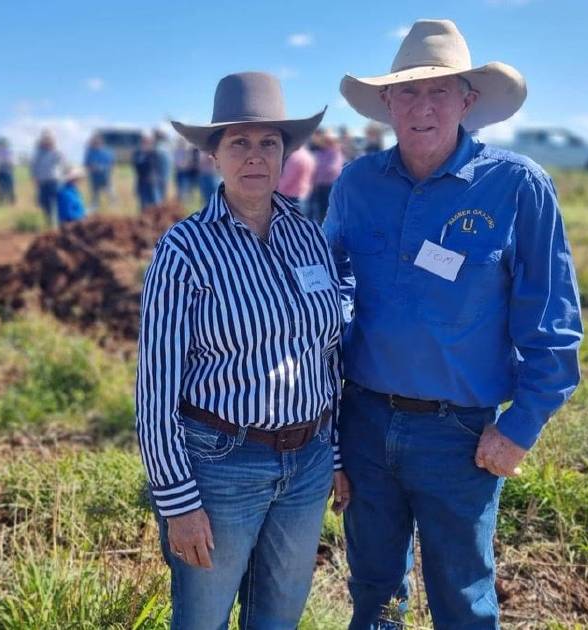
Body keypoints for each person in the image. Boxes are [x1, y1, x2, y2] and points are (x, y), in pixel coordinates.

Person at [327, 20, 583, 628]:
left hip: (460, 438)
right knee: (374, 595)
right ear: (386, 102)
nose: (423, 106)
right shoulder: (358, 183)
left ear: (468, 100)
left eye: (440, 90)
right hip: (364, 422)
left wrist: (519, 428)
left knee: (463, 600)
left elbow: (552, 317)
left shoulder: (517, 185)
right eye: (408, 92)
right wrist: (329, 430)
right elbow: (330, 292)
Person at [137, 71, 346, 628]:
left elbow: (329, 356)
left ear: (285, 152)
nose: (255, 156)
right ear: (214, 156)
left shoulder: (306, 233)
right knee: (203, 617)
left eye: (268, 143)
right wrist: (178, 502)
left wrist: (337, 455)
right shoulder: (185, 249)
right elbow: (155, 386)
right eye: (239, 143)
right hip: (222, 466)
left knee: (278, 616)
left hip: (307, 464)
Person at [308, 129, 344, 224]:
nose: (327, 143)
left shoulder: (336, 152)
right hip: (319, 186)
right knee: (320, 211)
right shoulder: (319, 153)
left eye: (329, 141)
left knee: (329, 211)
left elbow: (333, 168)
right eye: (325, 141)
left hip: (331, 185)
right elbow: (313, 168)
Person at [277, 143, 316, 211]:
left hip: (292, 196)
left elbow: (288, 179)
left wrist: (275, 191)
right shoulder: (308, 156)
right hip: (304, 195)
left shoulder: (295, 157)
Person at [83, 134, 115, 210]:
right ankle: (95, 207)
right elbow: (86, 163)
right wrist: (91, 167)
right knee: (94, 193)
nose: (94, 144)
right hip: (94, 177)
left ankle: (113, 205)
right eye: (93, 142)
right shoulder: (89, 152)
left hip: (105, 176)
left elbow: (111, 164)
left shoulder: (107, 151)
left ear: (101, 142)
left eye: (96, 142)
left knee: (109, 191)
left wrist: (101, 168)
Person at [132, 133, 160, 211]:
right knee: (143, 205)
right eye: (144, 142)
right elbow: (136, 166)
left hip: (153, 182)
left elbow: (154, 166)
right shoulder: (137, 153)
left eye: (147, 142)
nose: (145, 144)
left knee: (156, 203)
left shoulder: (154, 153)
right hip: (142, 182)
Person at [152, 128, 173, 202]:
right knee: (159, 191)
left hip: (162, 174)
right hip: (160, 174)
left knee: (161, 190)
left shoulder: (162, 147)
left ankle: (161, 205)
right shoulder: (158, 146)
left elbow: (167, 165)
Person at [0, 138, 16, 206]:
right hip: (1, 173)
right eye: (1, 144)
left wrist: (7, 161)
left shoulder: (10, 152)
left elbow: (13, 162)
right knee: (1, 188)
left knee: (10, 188)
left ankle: (12, 202)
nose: (2, 146)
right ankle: (1, 203)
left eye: (3, 144)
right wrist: (5, 161)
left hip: (9, 173)